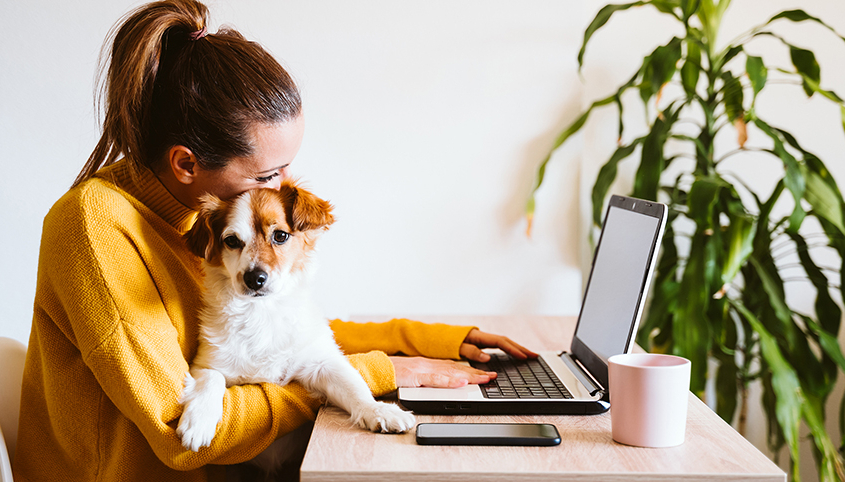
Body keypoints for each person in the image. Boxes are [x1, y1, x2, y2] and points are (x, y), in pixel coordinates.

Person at [13, 1, 537, 481]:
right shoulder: (94, 228)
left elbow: (278, 336)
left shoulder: (196, 221)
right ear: (186, 164)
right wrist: (371, 375)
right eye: (269, 173)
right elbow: (181, 434)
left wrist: (426, 341)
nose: (283, 189)